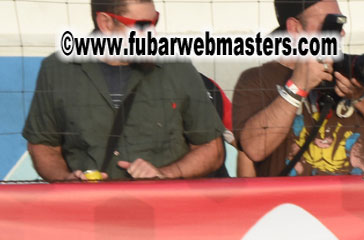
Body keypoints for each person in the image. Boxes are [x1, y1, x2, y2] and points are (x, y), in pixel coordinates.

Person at [22, 0, 225, 182]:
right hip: (88, 213)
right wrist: (66, 179)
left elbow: (211, 148)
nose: (151, 32)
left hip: (163, 213)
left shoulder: (176, 67)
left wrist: (166, 173)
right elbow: (43, 146)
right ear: (106, 23)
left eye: (154, 21)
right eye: (141, 25)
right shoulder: (58, 70)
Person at [234, 0, 364, 177]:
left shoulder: (353, 69)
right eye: (330, 24)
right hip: (294, 204)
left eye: (340, 23)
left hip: (362, 203)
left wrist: (362, 96)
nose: (341, 32)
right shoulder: (257, 80)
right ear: (295, 28)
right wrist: (297, 86)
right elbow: (254, 149)